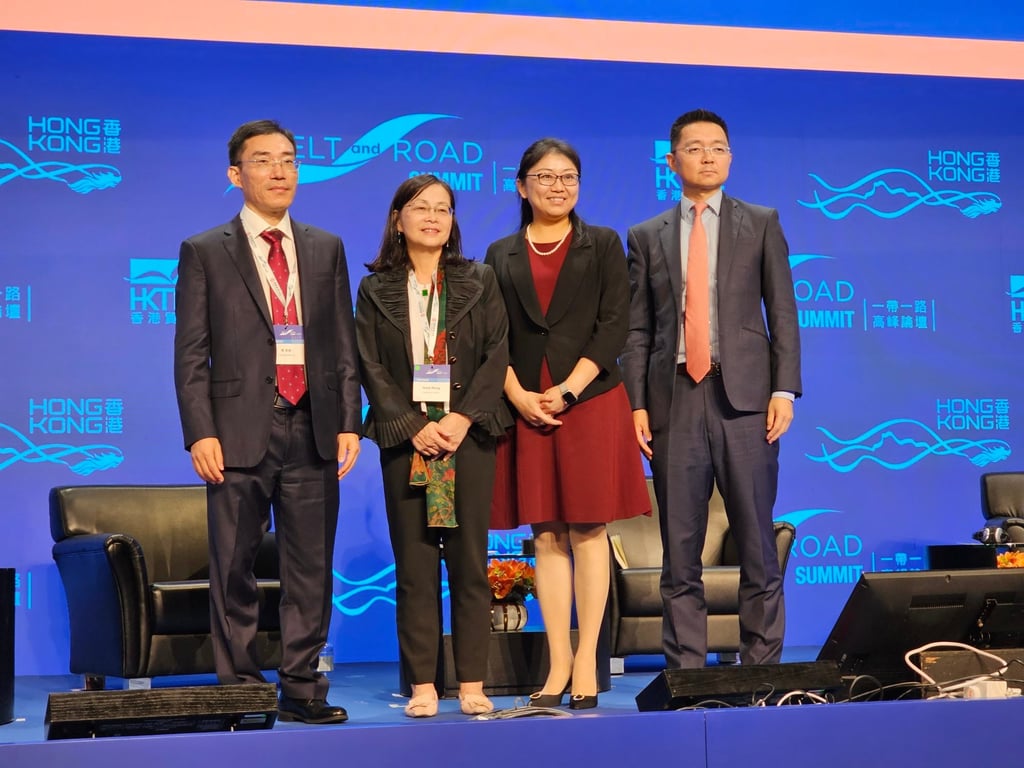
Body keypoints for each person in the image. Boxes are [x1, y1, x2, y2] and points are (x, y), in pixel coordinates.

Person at [174, 119, 362, 724]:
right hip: (234, 431)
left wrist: (349, 421)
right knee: (234, 565)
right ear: (236, 175)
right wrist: (200, 430)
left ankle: (304, 688)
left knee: (310, 566)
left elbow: (342, 345)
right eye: (263, 161)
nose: (280, 171)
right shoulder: (205, 250)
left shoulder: (324, 246)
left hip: (313, 424)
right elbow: (190, 351)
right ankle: (243, 692)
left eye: (288, 160)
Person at [621, 109, 802, 669]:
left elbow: (784, 312)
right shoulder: (647, 235)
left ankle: (761, 671)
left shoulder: (762, 222)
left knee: (756, 545)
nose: (707, 156)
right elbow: (638, 327)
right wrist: (637, 403)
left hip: (746, 400)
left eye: (718, 147)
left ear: (730, 157)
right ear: (672, 161)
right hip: (675, 397)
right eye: (695, 148)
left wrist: (784, 390)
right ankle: (686, 675)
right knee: (681, 551)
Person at [487, 138, 649, 710]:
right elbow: (493, 335)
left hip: (590, 400)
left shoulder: (602, 243)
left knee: (588, 530)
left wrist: (568, 388)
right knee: (547, 532)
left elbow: (614, 327)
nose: (559, 186)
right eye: (546, 176)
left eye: (569, 177)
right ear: (521, 184)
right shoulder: (500, 252)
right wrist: (519, 395)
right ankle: (556, 664)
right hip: (526, 403)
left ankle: (589, 659)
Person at [355, 174, 510, 718]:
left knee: (469, 564)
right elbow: (368, 365)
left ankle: (471, 682)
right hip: (406, 440)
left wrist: (464, 418)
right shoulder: (376, 289)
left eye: (443, 209)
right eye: (420, 208)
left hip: (467, 437)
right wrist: (409, 422)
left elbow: (496, 355)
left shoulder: (479, 280)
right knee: (415, 566)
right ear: (398, 219)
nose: (432, 218)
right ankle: (423, 685)